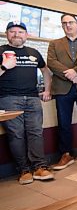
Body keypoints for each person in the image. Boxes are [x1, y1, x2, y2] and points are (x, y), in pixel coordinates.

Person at [0, 21, 54, 184]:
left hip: (32, 99)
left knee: (35, 133)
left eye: (20, 31)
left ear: (26, 35)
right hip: (8, 99)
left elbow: (45, 71)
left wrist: (47, 90)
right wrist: (4, 66)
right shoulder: (1, 51)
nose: (16, 34)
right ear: (7, 34)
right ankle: (24, 170)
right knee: (16, 135)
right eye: (12, 31)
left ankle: (40, 167)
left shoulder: (34, 52)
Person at [47, 14, 77, 170]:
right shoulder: (54, 44)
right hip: (62, 88)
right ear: (62, 26)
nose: (68, 25)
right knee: (64, 123)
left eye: (71, 22)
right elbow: (51, 63)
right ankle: (66, 154)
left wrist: (76, 72)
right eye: (64, 23)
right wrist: (69, 74)